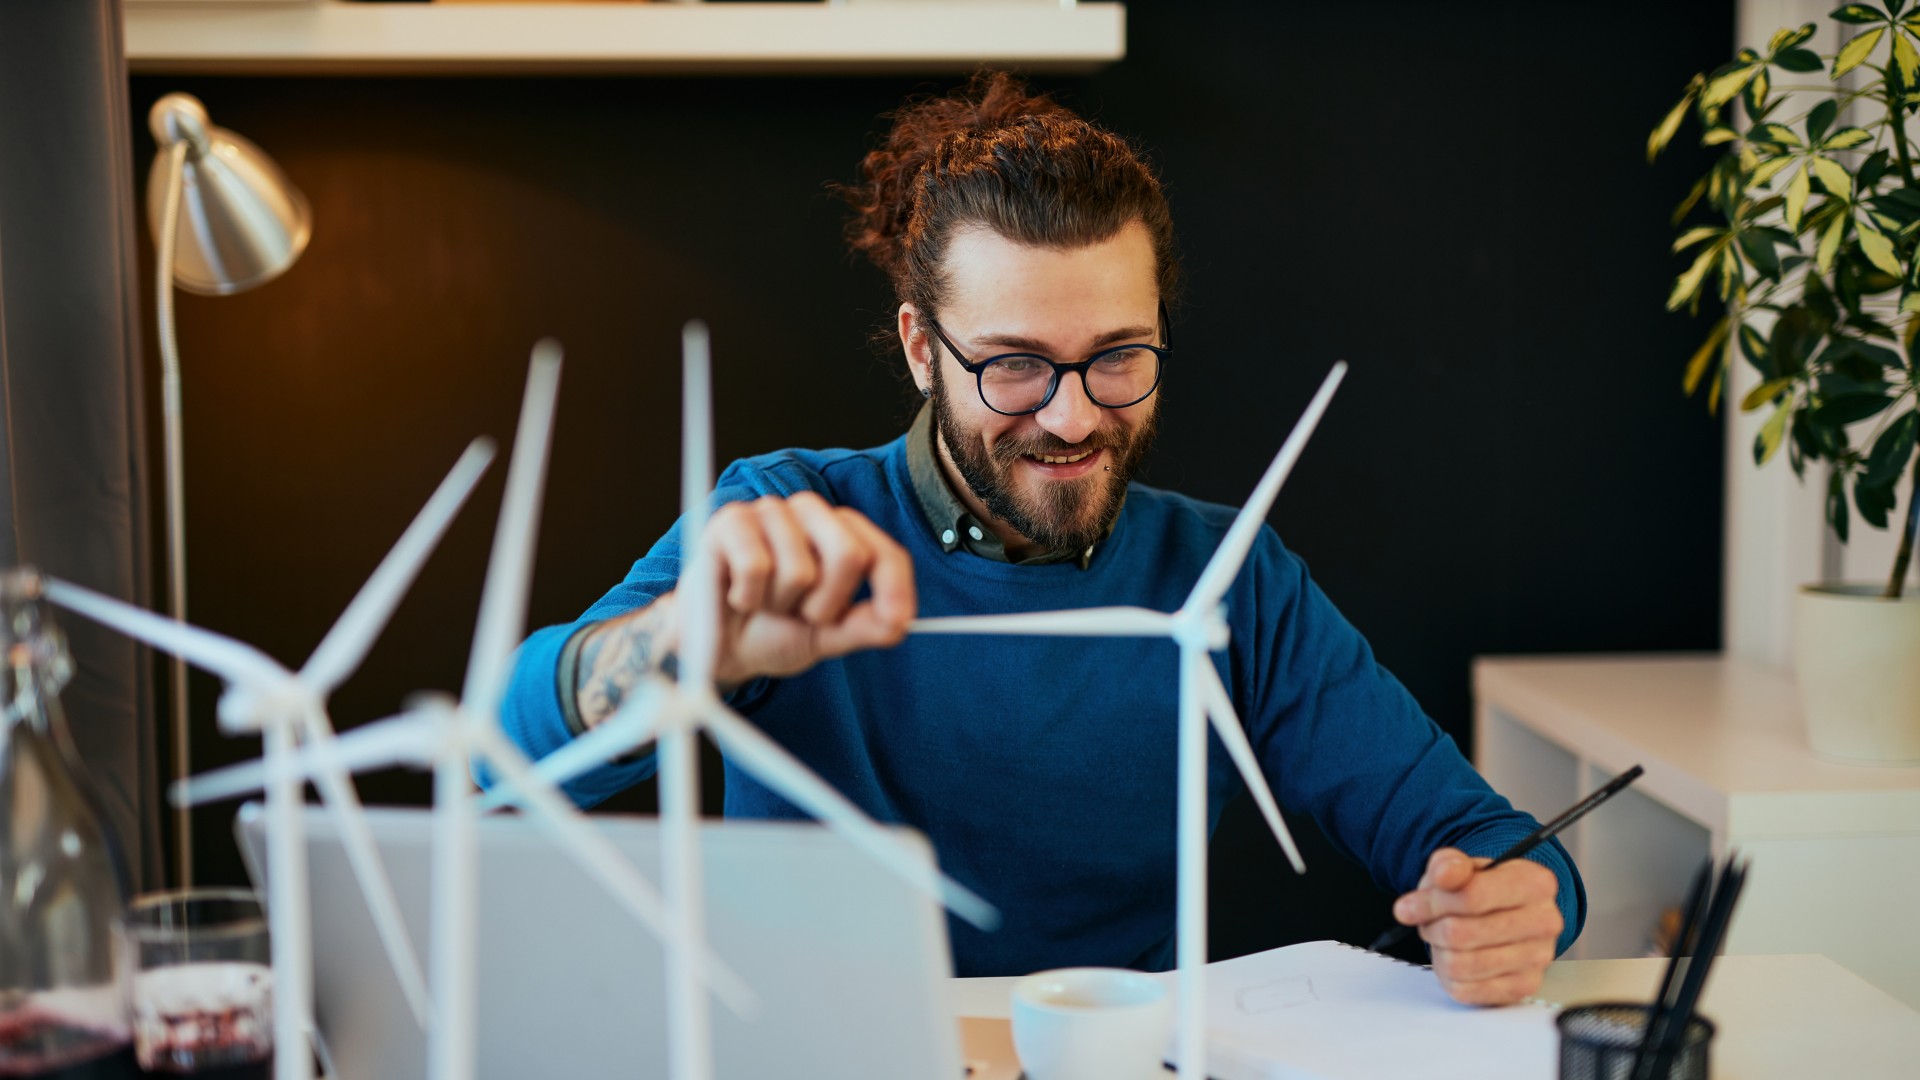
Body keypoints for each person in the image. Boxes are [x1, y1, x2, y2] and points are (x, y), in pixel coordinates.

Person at [499, 72, 1583, 1004]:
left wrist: (1525, 905)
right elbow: (503, 765)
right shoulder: (787, 521)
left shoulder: (1227, 577)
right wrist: (691, 642)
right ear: (923, 347)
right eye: (1015, 364)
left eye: (1118, 356)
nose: (1072, 417)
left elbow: (1487, 842)